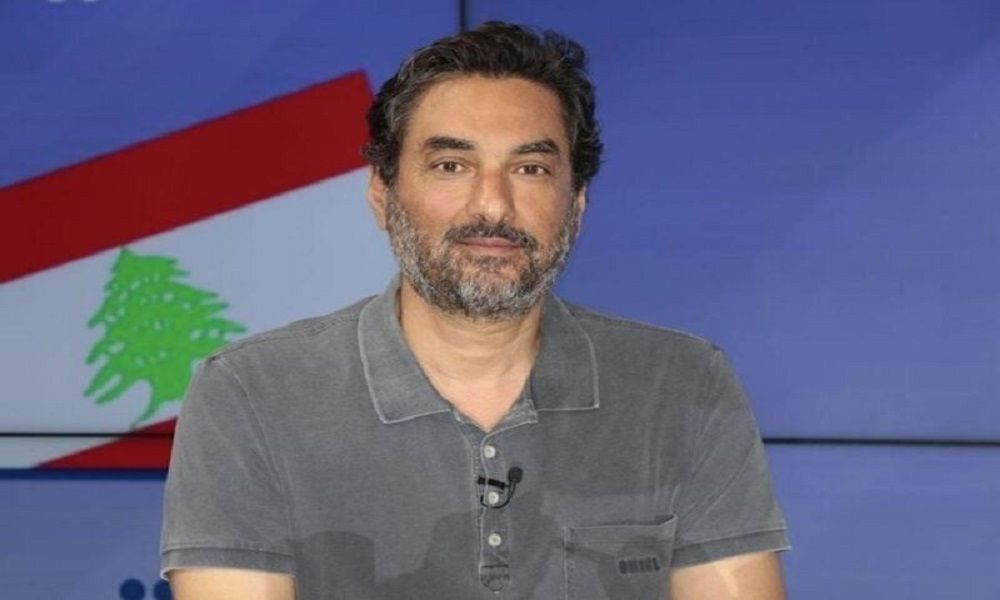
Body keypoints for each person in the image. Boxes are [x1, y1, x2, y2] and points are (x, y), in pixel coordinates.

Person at [161, 21, 789, 599]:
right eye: (451, 165)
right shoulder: (251, 392)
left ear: (575, 203)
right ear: (383, 194)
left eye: (531, 167)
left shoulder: (682, 384)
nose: (492, 204)